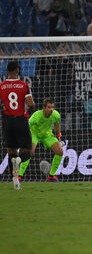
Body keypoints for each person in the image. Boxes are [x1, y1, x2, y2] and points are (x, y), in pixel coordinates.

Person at [0, 61, 35, 190]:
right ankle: (19, 160)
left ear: (6, 72)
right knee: (28, 150)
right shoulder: (24, 85)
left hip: (7, 121)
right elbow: (31, 104)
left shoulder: (1, 86)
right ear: (17, 71)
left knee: (11, 152)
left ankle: (15, 182)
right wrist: (28, 110)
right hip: (21, 119)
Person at [19, 98, 65, 183]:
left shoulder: (55, 114)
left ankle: (51, 176)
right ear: (44, 108)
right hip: (34, 134)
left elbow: (56, 124)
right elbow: (27, 126)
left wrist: (60, 136)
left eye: (52, 107)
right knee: (30, 152)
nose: (51, 109)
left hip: (46, 135)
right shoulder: (36, 116)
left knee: (60, 151)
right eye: (49, 107)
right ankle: (19, 176)